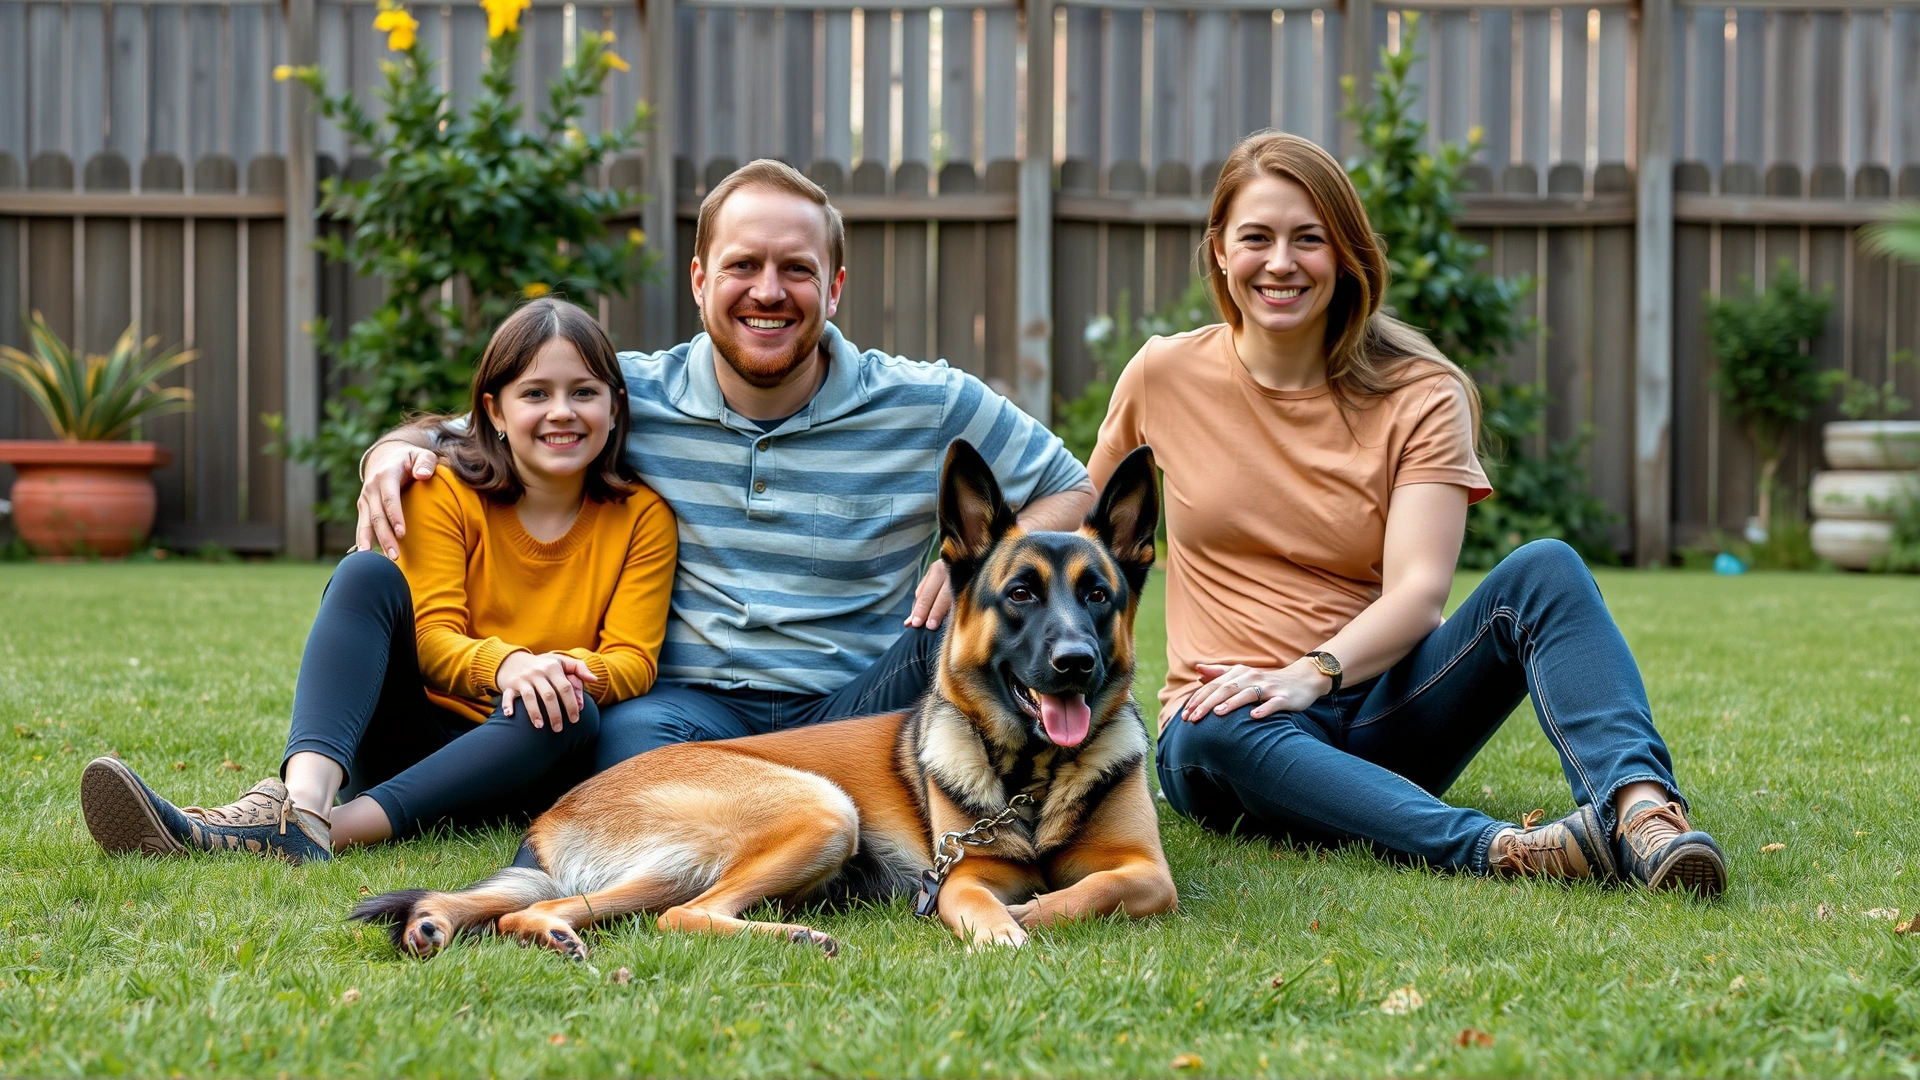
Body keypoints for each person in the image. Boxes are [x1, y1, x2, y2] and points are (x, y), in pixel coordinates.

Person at [1088, 131, 1727, 894]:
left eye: (1310, 239)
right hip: (1229, 728)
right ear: (1221, 251)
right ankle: (1503, 850)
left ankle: (1645, 818)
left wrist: (1311, 673)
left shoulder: (1420, 393)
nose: (1282, 262)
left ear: (1347, 255)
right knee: (1209, 724)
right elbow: (1084, 533)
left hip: (1383, 709)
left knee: (1546, 569)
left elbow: (1419, 594)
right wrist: (968, 569)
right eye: (1256, 237)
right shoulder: (1164, 373)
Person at [353, 160, 1093, 768]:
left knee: (971, 617)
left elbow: (1072, 487)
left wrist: (984, 558)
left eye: (796, 270)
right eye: (744, 265)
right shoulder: (625, 395)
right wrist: (387, 455)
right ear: (701, 280)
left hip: (862, 696)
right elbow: (471, 435)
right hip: (685, 705)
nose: (769, 291)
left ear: (834, 288)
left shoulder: (927, 403)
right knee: (625, 757)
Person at [79, 299, 678, 861]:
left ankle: (315, 832)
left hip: (516, 755)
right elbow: (433, 638)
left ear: (615, 404)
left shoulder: (643, 517)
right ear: (493, 410)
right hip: (407, 739)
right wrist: (507, 665)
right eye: (535, 393)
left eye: (584, 393)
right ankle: (307, 800)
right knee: (365, 572)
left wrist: (550, 675)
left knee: (570, 710)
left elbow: (632, 660)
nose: (562, 412)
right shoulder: (443, 491)